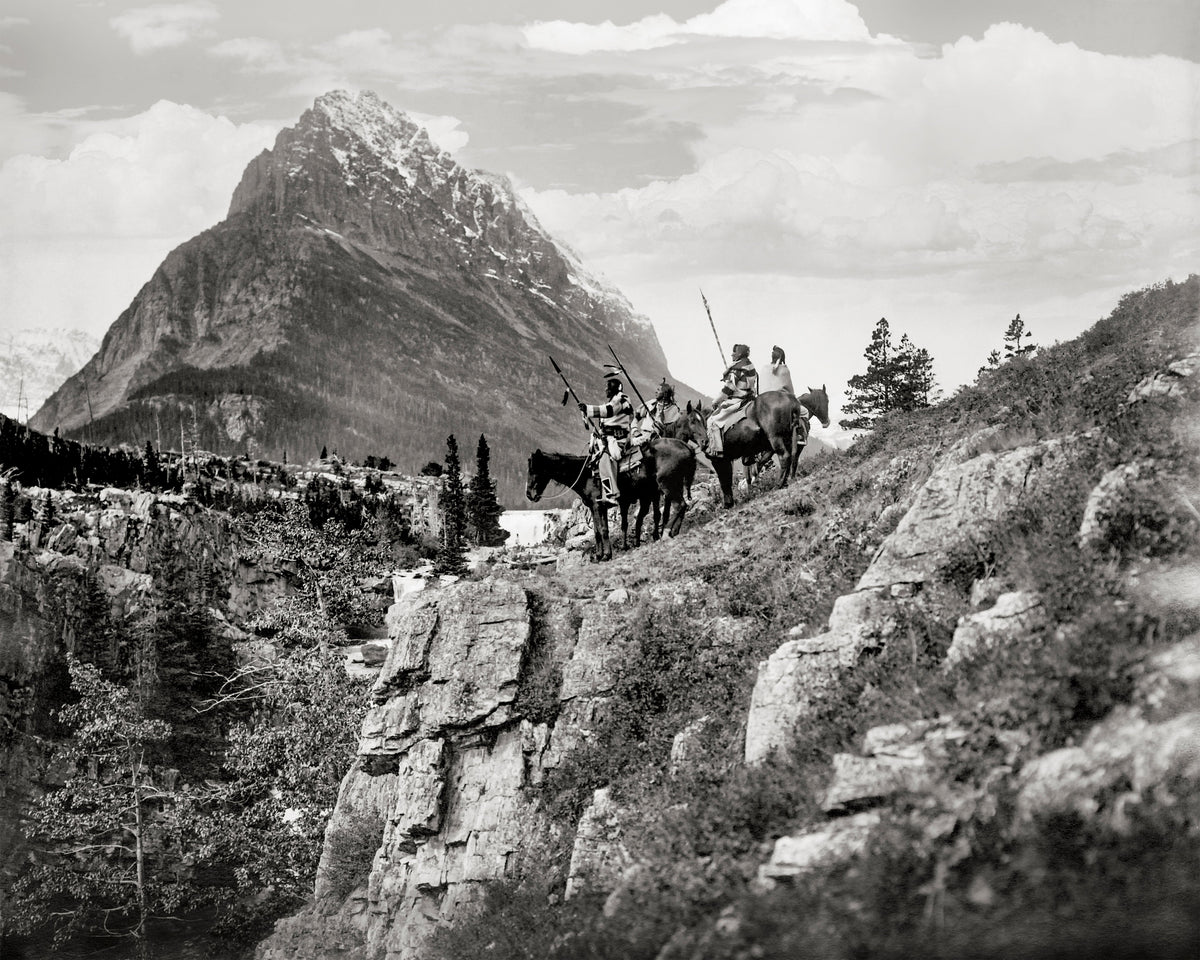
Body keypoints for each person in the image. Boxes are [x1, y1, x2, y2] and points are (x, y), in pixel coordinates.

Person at [578, 375, 634, 507]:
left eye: (608, 387)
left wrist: (587, 409)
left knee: (604, 459)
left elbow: (608, 412)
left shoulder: (621, 400)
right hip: (608, 438)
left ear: (614, 388)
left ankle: (612, 495)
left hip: (618, 440)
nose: (605, 390)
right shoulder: (614, 401)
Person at [707, 343, 757, 456]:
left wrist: (715, 401)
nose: (732, 354)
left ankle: (717, 450)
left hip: (737, 400)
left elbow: (727, 390)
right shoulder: (750, 365)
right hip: (750, 399)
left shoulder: (736, 369)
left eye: (734, 352)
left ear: (739, 354)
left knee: (712, 421)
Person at [631, 379, 682, 446]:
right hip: (642, 438)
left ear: (665, 394)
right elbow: (636, 417)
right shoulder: (650, 404)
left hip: (661, 442)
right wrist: (635, 430)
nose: (656, 392)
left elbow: (674, 431)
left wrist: (661, 429)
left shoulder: (674, 409)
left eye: (658, 390)